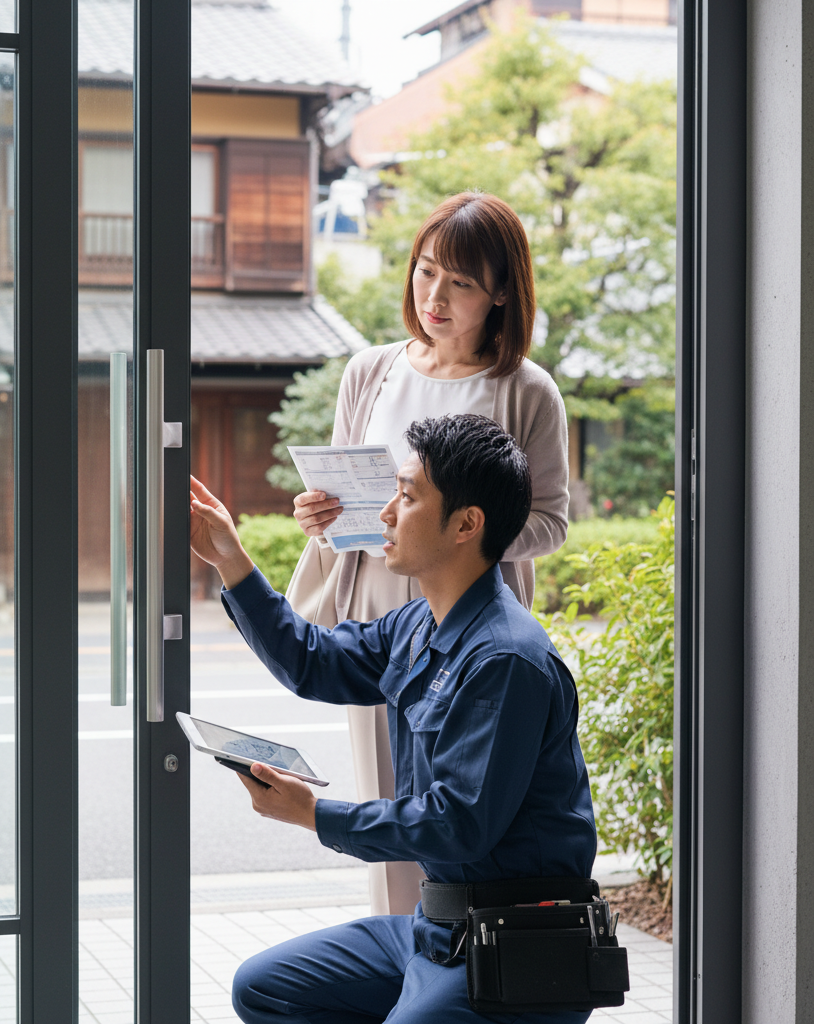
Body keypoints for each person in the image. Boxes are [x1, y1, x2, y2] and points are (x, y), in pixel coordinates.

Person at [189, 414, 596, 1024]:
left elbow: (458, 824)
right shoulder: (418, 623)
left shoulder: (506, 659)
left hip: (517, 944)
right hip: (439, 926)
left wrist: (314, 814)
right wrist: (232, 561)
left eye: (406, 496)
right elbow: (312, 662)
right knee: (264, 986)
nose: (384, 512)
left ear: (466, 524)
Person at [288, 191, 571, 915]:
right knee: (386, 794)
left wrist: (465, 532)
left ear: (503, 291)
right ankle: (397, 947)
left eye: (463, 282)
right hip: (377, 606)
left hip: (470, 625)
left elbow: (551, 522)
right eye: (425, 271)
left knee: (460, 809)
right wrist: (320, 514)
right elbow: (346, 504)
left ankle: (460, 955)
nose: (435, 296)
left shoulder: (526, 390)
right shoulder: (371, 370)